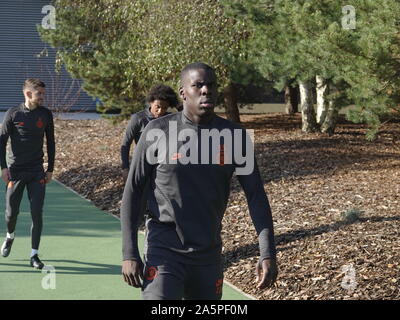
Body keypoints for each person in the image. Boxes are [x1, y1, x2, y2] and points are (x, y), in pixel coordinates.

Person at [120, 62, 278, 300]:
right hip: (164, 250)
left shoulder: (235, 137)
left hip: (208, 255)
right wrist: (129, 252)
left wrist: (267, 252)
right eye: (198, 85)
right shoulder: (157, 131)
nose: (206, 90)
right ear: (183, 92)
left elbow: (256, 195)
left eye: (211, 85)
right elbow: (132, 192)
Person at [0, 78, 55, 270]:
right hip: (15, 171)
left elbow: (51, 142)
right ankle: (10, 236)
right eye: (39, 93)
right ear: (28, 94)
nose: (42, 97)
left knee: (36, 213)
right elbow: (1, 141)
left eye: (43, 93)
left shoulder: (46, 114)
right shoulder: (13, 114)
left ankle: (34, 255)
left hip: (36, 171)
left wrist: (50, 169)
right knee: (10, 213)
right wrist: (3, 167)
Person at [120, 84, 179, 180]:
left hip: (163, 167)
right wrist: (125, 168)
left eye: (165, 108)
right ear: (151, 102)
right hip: (142, 164)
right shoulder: (138, 118)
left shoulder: (170, 118)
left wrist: (176, 103)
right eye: (157, 106)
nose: (160, 111)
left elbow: (188, 118)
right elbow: (125, 144)